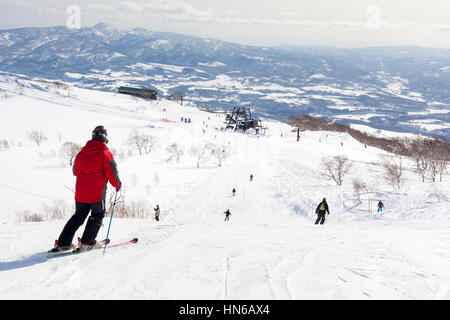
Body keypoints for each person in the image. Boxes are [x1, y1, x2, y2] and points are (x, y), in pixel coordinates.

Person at [49, 126, 121, 253]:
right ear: (105, 140)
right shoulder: (106, 154)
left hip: (81, 194)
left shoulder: (81, 153)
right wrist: (117, 185)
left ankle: (63, 244)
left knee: (78, 217)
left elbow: (75, 172)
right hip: (97, 195)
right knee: (97, 215)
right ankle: (87, 242)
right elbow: (112, 174)